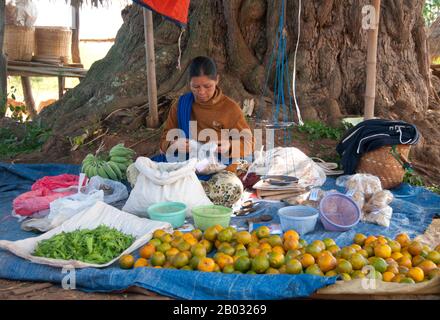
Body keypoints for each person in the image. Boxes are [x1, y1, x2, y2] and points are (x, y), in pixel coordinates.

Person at [156, 56, 254, 165]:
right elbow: (164, 140)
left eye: (207, 86)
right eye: (196, 87)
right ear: (189, 82)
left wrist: (230, 146)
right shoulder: (181, 105)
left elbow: (249, 143)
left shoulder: (230, 109)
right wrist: (173, 144)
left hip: (219, 166)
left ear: (217, 80)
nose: (201, 92)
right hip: (185, 164)